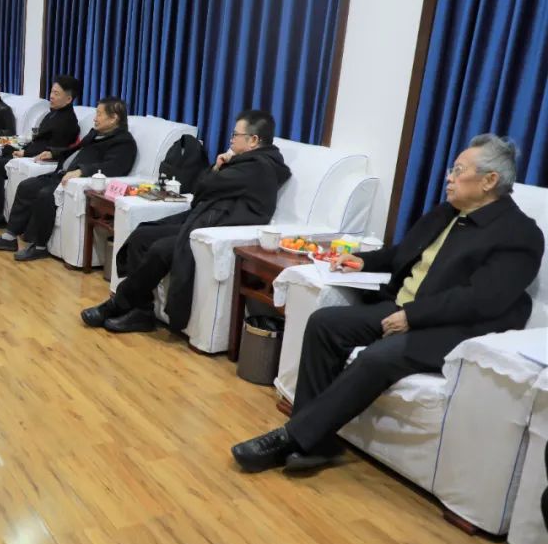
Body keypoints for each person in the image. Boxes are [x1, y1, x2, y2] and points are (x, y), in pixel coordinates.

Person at [232, 135, 544, 474]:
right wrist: (363, 261)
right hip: (402, 307)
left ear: (489, 180)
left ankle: (291, 437)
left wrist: (412, 316)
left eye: (458, 170)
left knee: (376, 358)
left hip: (452, 330)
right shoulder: (448, 213)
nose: (448, 177)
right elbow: (403, 253)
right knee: (325, 323)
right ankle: (317, 443)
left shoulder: (519, 234)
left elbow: (481, 299)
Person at [81, 110, 290, 333]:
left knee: (161, 249)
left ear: (253, 140)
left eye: (235, 135)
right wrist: (217, 168)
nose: (231, 139)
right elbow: (202, 189)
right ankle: (141, 311)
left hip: (216, 227)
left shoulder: (258, 167)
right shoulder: (246, 163)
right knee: (142, 235)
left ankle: (117, 304)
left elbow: (203, 187)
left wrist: (216, 169)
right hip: (203, 218)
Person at [0, 96, 136, 262]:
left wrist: (82, 171)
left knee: (45, 194)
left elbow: (114, 167)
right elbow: (76, 149)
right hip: (61, 173)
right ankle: (9, 237)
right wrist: (54, 153)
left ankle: (39, 246)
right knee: (27, 186)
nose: (95, 118)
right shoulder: (96, 133)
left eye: (99, 114)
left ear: (114, 118)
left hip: (75, 181)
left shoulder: (124, 143)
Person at [0, 76, 80, 230]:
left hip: (39, 159)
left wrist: (25, 152)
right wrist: (22, 149)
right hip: (30, 153)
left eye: (56, 93)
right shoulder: (53, 113)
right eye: (51, 92)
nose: (51, 96)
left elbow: (51, 148)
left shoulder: (67, 121)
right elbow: (38, 140)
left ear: (68, 99)